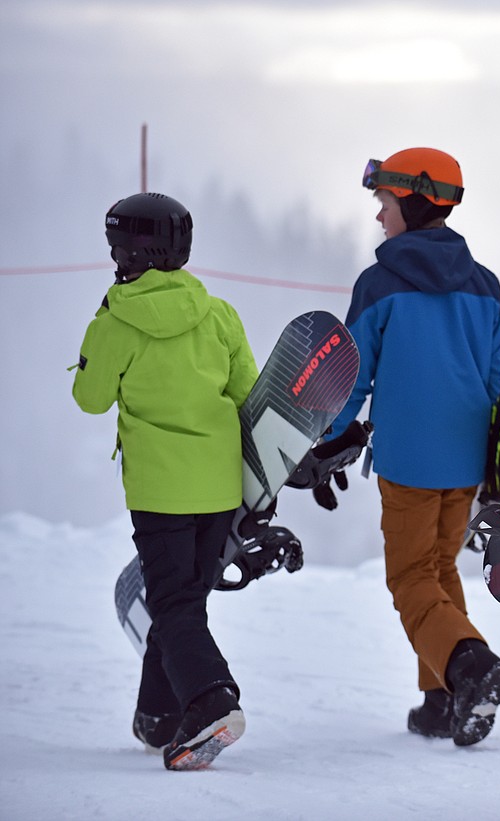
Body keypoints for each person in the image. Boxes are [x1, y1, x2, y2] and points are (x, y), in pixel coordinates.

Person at [317, 147, 500, 746]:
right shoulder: (483, 284)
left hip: (408, 459)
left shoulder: (380, 284)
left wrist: (331, 438)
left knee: (408, 579)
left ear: (411, 200)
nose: (379, 217)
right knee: (437, 570)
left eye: (384, 203)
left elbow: (352, 373)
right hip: (467, 459)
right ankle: (441, 701)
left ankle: (471, 668)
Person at [72, 192, 259, 770]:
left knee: (173, 602)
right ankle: (159, 714)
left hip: (159, 493)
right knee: (185, 602)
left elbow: (89, 398)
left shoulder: (116, 320)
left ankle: (210, 699)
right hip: (219, 488)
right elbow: (249, 394)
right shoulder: (219, 313)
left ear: (126, 249)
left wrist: (100, 333)